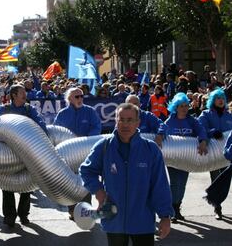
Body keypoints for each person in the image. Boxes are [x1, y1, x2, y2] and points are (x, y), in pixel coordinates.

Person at [80, 103, 172, 246]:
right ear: (116, 121)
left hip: (143, 222)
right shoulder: (104, 146)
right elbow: (86, 170)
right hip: (114, 221)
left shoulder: (150, 149)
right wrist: (98, 190)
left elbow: (160, 185)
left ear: (138, 122)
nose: (125, 124)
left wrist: (165, 216)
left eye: (129, 120)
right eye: (121, 119)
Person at [0, 84, 47, 227]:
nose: (25, 94)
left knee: (27, 185)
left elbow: (40, 121)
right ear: (14, 95)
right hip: (8, 152)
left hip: (27, 152)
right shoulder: (4, 108)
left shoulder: (28, 109)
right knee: (7, 185)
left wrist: (42, 134)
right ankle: (9, 216)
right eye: (22, 92)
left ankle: (23, 214)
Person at [53, 87, 102, 220]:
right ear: (69, 99)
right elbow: (56, 131)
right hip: (69, 155)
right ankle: (73, 209)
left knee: (85, 180)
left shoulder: (90, 111)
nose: (81, 99)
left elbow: (97, 127)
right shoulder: (62, 114)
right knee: (71, 182)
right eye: (77, 97)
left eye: (81, 96)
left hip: (86, 152)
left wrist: (86, 141)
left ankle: (85, 210)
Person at [164, 92, 208, 223]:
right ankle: (172, 210)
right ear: (175, 107)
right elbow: (162, 132)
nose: (184, 108)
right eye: (181, 106)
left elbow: (201, 131)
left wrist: (203, 141)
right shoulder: (169, 121)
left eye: (186, 105)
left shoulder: (192, 120)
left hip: (187, 159)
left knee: (182, 184)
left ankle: (177, 207)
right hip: (173, 159)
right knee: (174, 184)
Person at [198, 88, 232, 220]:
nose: (221, 100)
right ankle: (217, 207)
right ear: (213, 100)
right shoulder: (206, 114)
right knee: (216, 180)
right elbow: (200, 128)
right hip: (213, 154)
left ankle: (218, 204)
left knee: (226, 182)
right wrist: (212, 132)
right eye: (218, 98)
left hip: (228, 155)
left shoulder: (229, 116)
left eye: (223, 98)